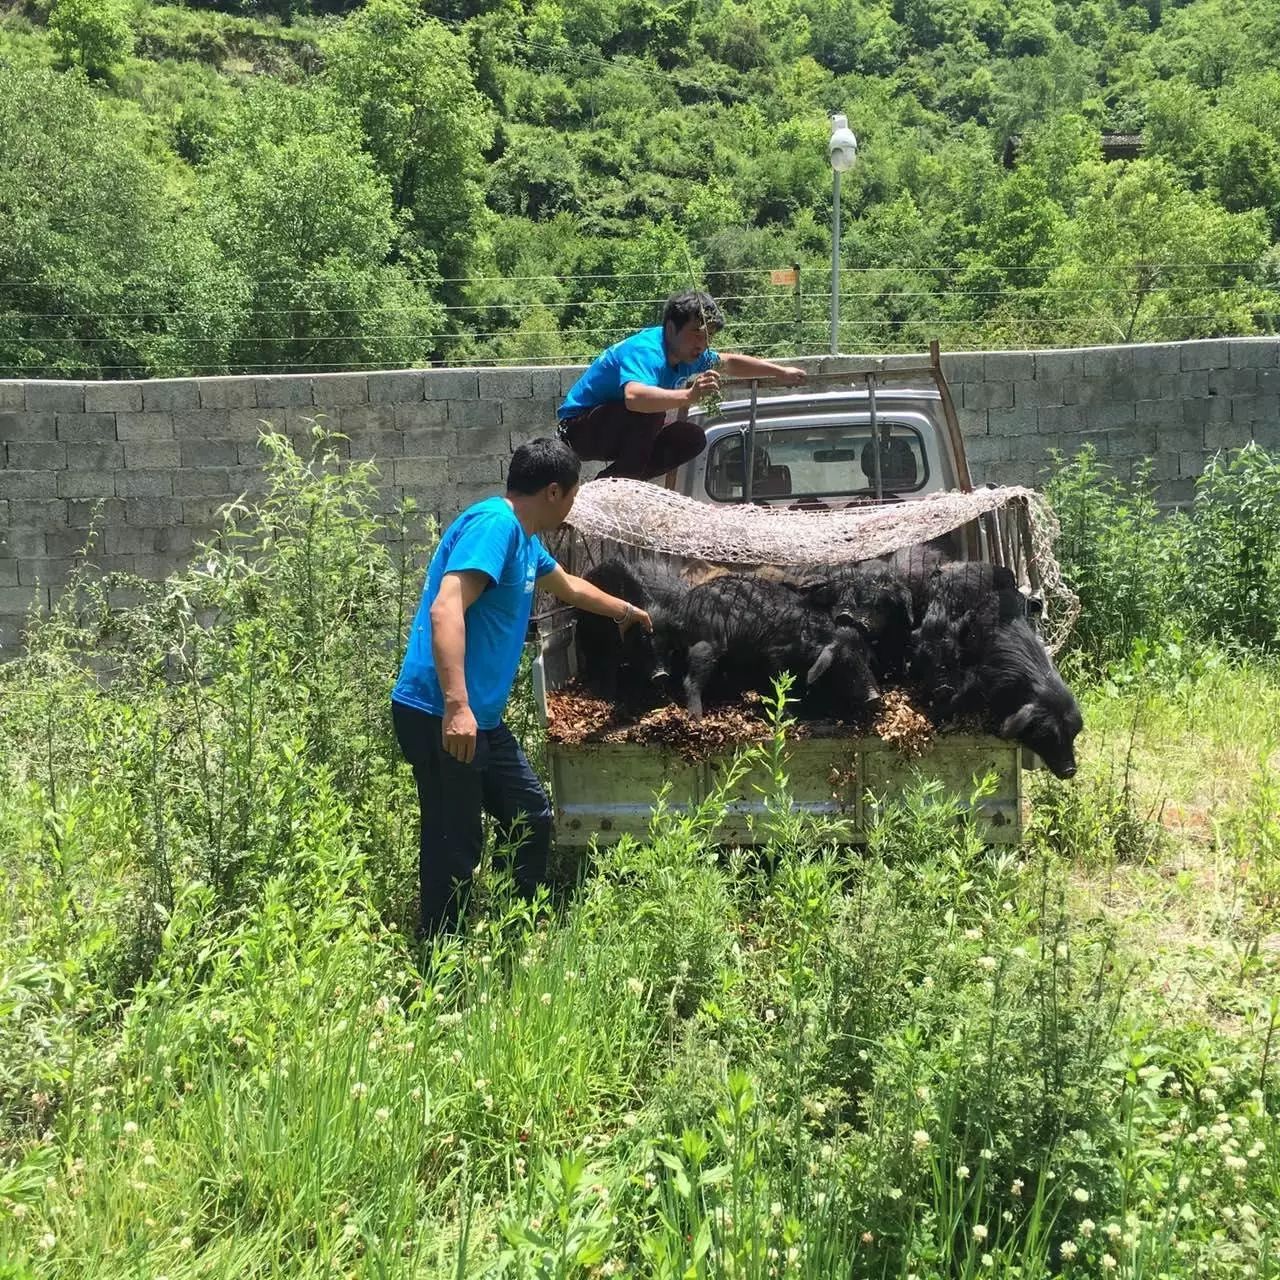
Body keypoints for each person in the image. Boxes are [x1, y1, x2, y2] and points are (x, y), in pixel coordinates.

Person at [391, 437, 652, 938]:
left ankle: (521, 928)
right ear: (554, 491)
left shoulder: (526, 540)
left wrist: (624, 610)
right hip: (439, 713)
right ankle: (442, 961)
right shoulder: (496, 527)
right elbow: (446, 608)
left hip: (479, 719)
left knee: (529, 814)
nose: (573, 506)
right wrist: (457, 707)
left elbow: (571, 588)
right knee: (456, 841)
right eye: (574, 495)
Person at [556, 290, 808, 481]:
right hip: (578, 431)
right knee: (652, 410)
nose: (702, 344)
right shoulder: (646, 350)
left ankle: (620, 480)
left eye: (708, 337)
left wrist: (780, 372)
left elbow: (730, 363)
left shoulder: (692, 355)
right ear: (670, 328)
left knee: (692, 438)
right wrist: (689, 394)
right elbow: (635, 398)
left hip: (621, 430)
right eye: (696, 334)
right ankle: (617, 484)